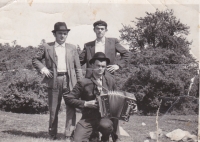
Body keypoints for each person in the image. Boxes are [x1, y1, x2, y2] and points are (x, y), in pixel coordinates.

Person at [32, 22, 83, 141]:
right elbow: (35, 59)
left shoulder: (72, 48)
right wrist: (43, 69)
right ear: (55, 34)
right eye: (60, 33)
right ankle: (52, 134)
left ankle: (68, 134)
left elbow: (78, 67)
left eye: (65, 33)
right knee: (54, 109)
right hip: (54, 80)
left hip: (70, 81)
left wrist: (80, 83)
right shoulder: (47, 47)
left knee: (71, 108)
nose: (62, 36)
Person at [64, 52, 119, 142]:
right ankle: (93, 135)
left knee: (106, 126)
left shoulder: (110, 81)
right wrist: (85, 103)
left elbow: (118, 99)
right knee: (77, 140)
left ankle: (105, 138)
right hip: (88, 118)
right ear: (92, 65)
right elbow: (69, 99)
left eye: (103, 66)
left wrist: (129, 107)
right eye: (98, 66)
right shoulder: (83, 82)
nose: (100, 69)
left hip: (104, 118)